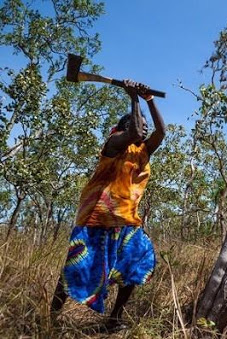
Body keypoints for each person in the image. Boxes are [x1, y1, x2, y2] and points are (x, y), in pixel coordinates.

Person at [50, 80, 166, 330]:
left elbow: (161, 132)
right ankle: (50, 317)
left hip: (126, 221)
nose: (143, 129)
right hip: (97, 220)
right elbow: (133, 132)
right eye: (139, 124)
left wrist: (148, 99)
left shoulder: (143, 151)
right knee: (77, 268)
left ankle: (114, 320)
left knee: (137, 262)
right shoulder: (113, 144)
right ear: (123, 128)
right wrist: (133, 97)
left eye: (145, 125)